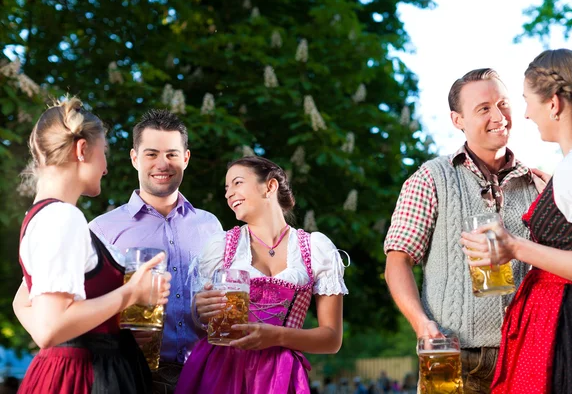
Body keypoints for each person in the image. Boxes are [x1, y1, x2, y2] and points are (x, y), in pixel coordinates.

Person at [384, 68, 540, 393]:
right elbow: (397, 261)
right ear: (458, 120)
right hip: (453, 355)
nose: (499, 115)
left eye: (503, 103)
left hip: (525, 354)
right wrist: (422, 325)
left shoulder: (537, 183)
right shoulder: (431, 177)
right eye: (483, 108)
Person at [461, 49, 572, 394]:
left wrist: (516, 247)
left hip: (568, 327)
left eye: (526, 101)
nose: (524, 114)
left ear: (553, 104)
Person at [11, 97, 171, 393]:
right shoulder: (62, 217)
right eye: (104, 153)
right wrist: (131, 292)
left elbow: (22, 303)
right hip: (87, 379)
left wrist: (103, 332)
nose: (106, 167)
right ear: (82, 150)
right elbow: (50, 328)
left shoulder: (42, 216)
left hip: (70, 370)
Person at [175, 156, 348, 394]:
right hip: (221, 371)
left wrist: (277, 336)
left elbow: (331, 339)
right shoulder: (221, 247)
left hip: (280, 375)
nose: (228, 194)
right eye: (226, 189)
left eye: (237, 183)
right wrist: (200, 310)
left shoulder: (315, 249)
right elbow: (199, 325)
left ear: (270, 186)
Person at [88, 109, 222, 393]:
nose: (163, 163)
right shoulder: (102, 229)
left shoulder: (210, 226)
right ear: (135, 158)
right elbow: (78, 307)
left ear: (186, 158)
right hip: (132, 376)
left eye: (172, 154)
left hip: (207, 374)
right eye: (151, 154)